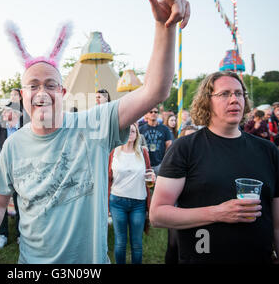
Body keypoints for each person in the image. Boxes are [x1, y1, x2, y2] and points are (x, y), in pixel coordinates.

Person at [0, 0, 190, 264]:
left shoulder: (94, 124)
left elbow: (155, 90)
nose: (42, 93)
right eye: (33, 86)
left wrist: (164, 27)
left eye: (51, 85)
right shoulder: (13, 145)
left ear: (63, 94)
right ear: (22, 96)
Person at [150, 71, 279, 264]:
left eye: (239, 93)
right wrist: (219, 213)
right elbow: (158, 215)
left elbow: (277, 225)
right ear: (207, 101)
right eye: (225, 93)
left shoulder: (268, 150)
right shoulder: (185, 148)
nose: (235, 99)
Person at [108, 124, 153, 264]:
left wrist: (153, 178)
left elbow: (149, 173)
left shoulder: (143, 152)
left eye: (132, 131)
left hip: (138, 203)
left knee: (137, 244)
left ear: (137, 134)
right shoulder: (113, 152)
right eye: (126, 131)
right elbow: (107, 178)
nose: (129, 133)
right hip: (117, 202)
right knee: (120, 242)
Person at [0, 107, 22, 249]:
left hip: (20, 170)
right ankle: (2, 235)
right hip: (3, 170)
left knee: (20, 203)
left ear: (15, 113)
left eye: (6, 111)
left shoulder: (24, 127)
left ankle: (20, 234)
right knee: (0, 202)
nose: (3, 114)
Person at [139, 106, 173, 175]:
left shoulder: (165, 129)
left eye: (155, 112)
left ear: (158, 114)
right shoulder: (141, 129)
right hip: (144, 164)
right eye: (151, 112)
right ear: (146, 115)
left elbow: (169, 146)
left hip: (159, 164)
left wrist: (164, 162)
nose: (153, 113)